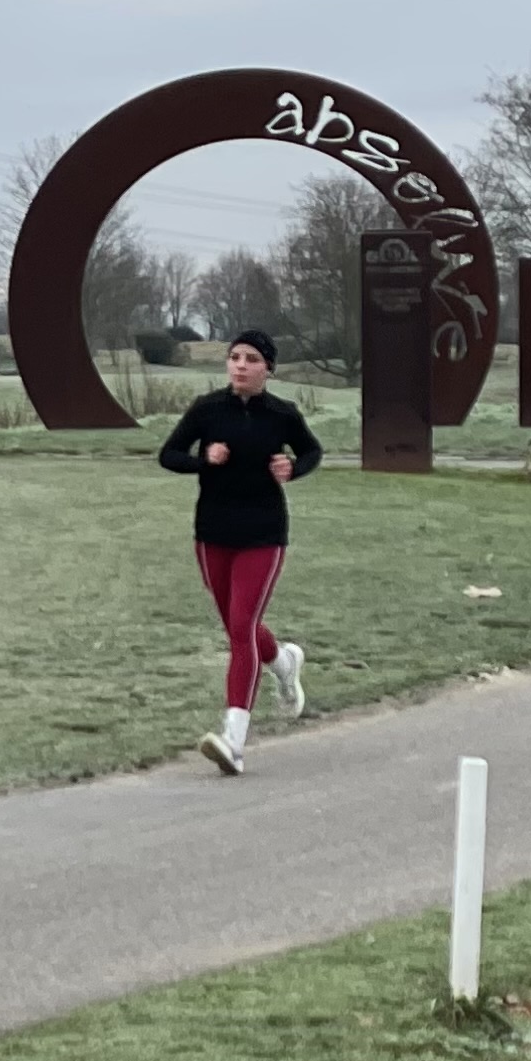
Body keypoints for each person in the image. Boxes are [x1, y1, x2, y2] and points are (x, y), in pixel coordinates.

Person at [158, 329, 323, 776]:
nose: (241, 366)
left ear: (268, 368)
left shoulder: (282, 414)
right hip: (212, 533)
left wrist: (293, 467)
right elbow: (168, 454)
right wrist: (203, 459)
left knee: (241, 628)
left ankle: (233, 741)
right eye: (235, 357)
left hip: (263, 534)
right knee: (238, 625)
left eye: (251, 359)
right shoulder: (207, 409)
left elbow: (312, 451)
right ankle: (284, 661)